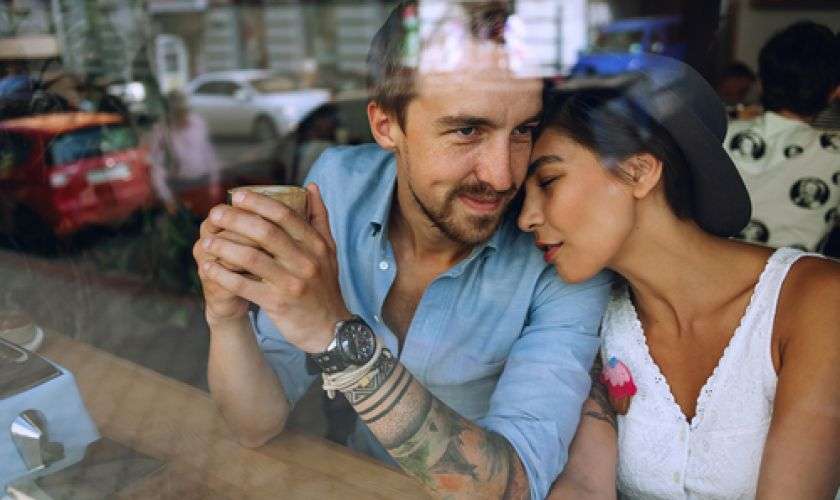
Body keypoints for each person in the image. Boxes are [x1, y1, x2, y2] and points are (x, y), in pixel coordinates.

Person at [192, 2, 611, 499]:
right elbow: (255, 424)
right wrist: (226, 318)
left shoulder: (558, 249)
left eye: (522, 130)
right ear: (386, 125)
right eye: (467, 130)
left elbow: (514, 483)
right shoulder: (335, 189)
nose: (503, 176)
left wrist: (336, 335)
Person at [515, 55, 840, 499]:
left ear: (638, 171)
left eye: (548, 180)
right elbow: (583, 485)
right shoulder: (592, 315)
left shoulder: (816, 302)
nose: (526, 219)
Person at [726, 21, 840, 253]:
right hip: (789, 275)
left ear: (760, 83)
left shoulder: (716, 133)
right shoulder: (834, 152)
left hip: (705, 270)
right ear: (834, 92)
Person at [148, 90, 222, 216]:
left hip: (203, 182)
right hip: (180, 187)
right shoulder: (162, 132)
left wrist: (214, 182)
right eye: (177, 112)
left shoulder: (197, 123)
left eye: (184, 111)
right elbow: (157, 167)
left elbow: (208, 152)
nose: (183, 116)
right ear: (170, 114)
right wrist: (167, 198)